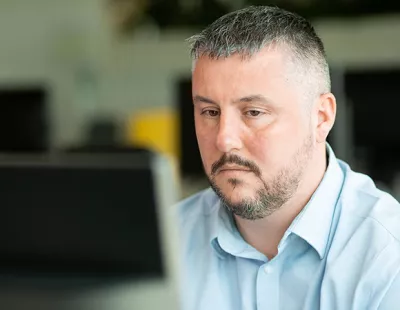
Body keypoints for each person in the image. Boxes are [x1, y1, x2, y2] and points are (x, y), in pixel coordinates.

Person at [177, 5, 400, 310]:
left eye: (253, 112)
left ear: (321, 117)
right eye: (210, 112)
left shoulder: (387, 256)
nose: (224, 139)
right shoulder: (162, 243)